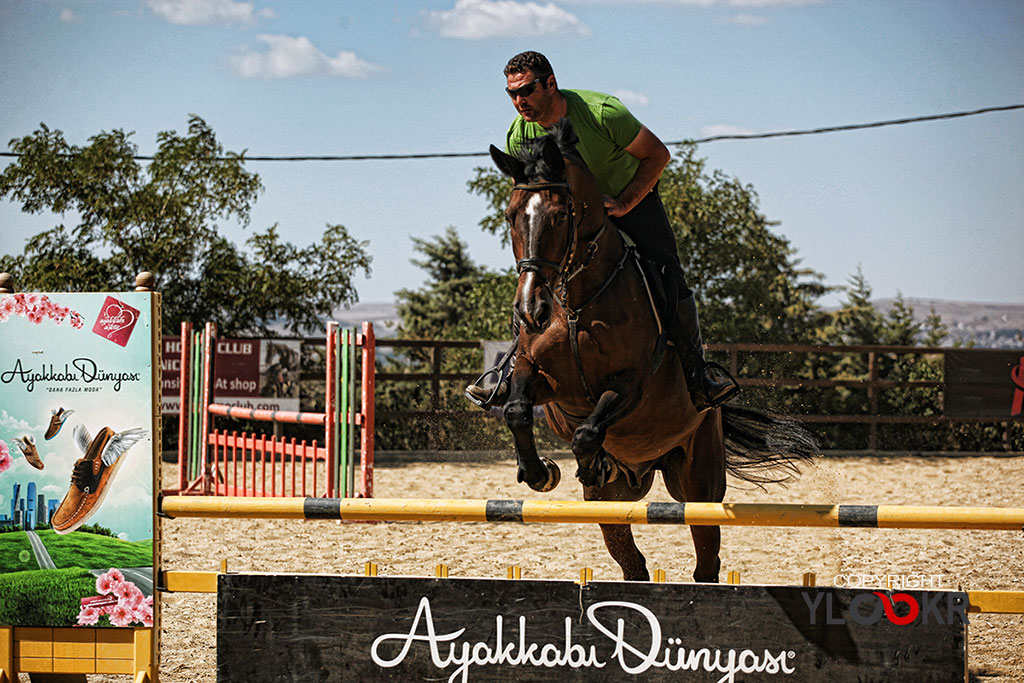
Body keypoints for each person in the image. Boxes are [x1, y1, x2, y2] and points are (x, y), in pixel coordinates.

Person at [465, 51, 738, 413]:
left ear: (551, 83)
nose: (520, 101)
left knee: (668, 270)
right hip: (570, 216)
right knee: (533, 276)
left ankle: (697, 374)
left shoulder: (603, 112)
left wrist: (625, 202)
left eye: (527, 90)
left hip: (628, 200)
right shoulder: (519, 134)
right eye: (512, 93)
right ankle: (510, 370)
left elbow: (658, 155)